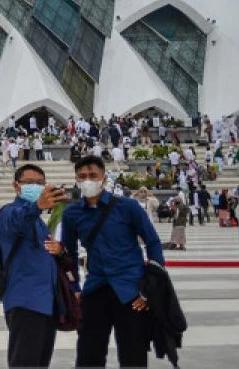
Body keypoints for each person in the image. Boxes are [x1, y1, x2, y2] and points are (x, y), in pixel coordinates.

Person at [62, 155, 164, 368]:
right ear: (76, 180)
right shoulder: (72, 213)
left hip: (131, 291)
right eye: (82, 176)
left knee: (133, 356)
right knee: (88, 355)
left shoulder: (128, 207)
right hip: (95, 289)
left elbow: (153, 242)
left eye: (92, 175)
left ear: (104, 177)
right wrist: (74, 287)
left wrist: (150, 288)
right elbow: (68, 254)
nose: (88, 180)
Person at [0, 163, 68, 368]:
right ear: (16, 186)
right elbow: (18, 218)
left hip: (46, 303)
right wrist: (37, 206)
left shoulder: (39, 221)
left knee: (40, 362)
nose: (35, 186)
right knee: (25, 363)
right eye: (29, 182)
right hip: (25, 301)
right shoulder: (9, 212)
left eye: (40, 183)